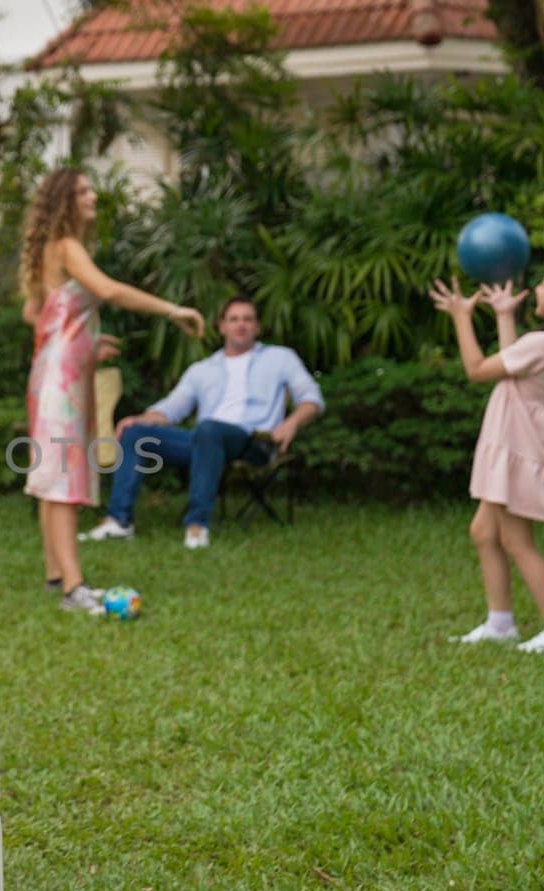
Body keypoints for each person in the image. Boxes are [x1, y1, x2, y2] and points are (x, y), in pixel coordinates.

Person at [22, 168, 206, 612]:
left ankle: (55, 576)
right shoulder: (67, 247)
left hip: (53, 372)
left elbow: (36, 314)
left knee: (52, 476)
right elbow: (106, 289)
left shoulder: (52, 250)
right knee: (63, 478)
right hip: (62, 380)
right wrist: (171, 309)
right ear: (66, 200)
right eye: (83, 190)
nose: (93, 196)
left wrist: (86, 341)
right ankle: (73, 589)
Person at [429, 261, 544, 654]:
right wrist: (505, 315)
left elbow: (477, 369)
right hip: (520, 439)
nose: (536, 290)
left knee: (517, 540)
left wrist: (461, 317)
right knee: (485, 532)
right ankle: (500, 622)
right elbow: (513, 360)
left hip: (520, 445)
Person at [82, 297, 323, 549]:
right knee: (136, 433)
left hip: (254, 441)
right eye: (234, 319)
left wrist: (292, 422)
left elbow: (311, 397)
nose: (241, 325)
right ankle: (119, 522)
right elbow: (170, 409)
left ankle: (197, 524)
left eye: (248, 319)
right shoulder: (202, 369)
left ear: (257, 327)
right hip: (205, 442)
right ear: (222, 327)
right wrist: (140, 419)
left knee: (209, 429)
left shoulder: (280, 358)